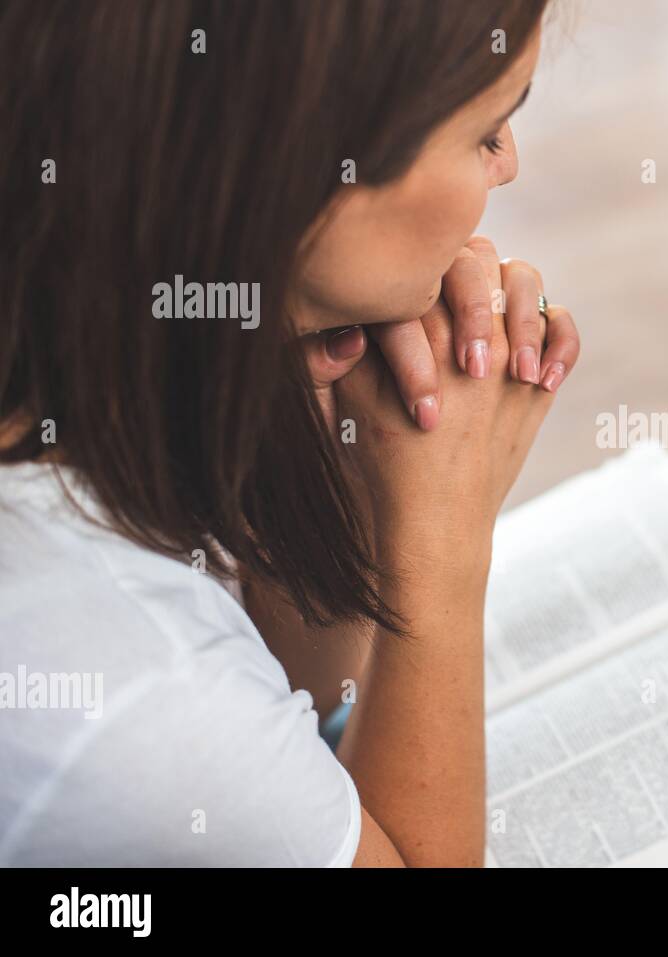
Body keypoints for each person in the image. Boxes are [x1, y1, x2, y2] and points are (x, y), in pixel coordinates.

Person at [0, 0, 574, 867]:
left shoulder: (99, 367)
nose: (509, 165)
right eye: (489, 127)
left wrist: (350, 457)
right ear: (307, 169)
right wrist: (443, 543)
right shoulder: (127, 687)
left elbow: (292, 700)